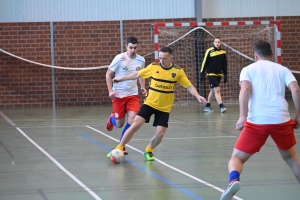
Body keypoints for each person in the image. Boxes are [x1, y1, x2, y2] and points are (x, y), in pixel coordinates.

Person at [220, 40, 300, 200]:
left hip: (257, 122)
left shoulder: (248, 70)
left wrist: (242, 116)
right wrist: (298, 115)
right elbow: (296, 89)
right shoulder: (283, 69)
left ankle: (234, 180)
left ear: (255, 56)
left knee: (237, 158)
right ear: (272, 54)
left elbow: (245, 89)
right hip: (281, 120)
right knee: (291, 158)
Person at [110, 46, 207, 161]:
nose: (161, 61)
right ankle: (119, 148)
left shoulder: (177, 71)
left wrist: (197, 96)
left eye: (164, 58)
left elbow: (189, 86)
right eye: (160, 58)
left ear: (171, 57)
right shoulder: (153, 67)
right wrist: (122, 78)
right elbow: (137, 74)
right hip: (150, 103)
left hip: (164, 108)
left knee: (160, 134)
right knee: (134, 125)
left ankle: (149, 150)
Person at [105, 36, 146, 156]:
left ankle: (121, 145)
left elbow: (141, 75)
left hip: (133, 95)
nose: (133, 50)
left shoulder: (141, 60)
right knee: (119, 124)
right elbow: (108, 74)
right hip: (118, 95)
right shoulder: (119, 58)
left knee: (133, 121)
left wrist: (142, 86)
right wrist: (110, 91)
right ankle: (112, 118)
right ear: (126, 47)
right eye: (131, 48)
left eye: (135, 48)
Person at [200, 37, 228, 113]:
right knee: (217, 89)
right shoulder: (209, 51)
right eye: (215, 42)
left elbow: (224, 64)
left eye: (218, 42)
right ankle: (222, 106)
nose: (217, 43)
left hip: (219, 74)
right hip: (211, 73)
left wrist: (225, 74)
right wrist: (202, 73)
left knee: (212, 91)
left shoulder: (223, 52)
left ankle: (207, 106)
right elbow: (204, 62)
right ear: (213, 43)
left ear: (221, 43)